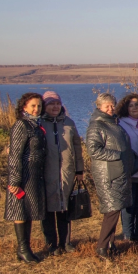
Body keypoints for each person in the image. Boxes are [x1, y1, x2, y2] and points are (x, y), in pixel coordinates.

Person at [85, 93, 135, 260]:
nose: (110, 108)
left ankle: (110, 243)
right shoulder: (96, 126)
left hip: (119, 173)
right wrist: (118, 155)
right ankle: (101, 247)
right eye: (107, 106)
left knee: (115, 208)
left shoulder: (114, 123)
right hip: (108, 175)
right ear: (99, 107)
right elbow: (93, 150)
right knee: (111, 210)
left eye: (112, 105)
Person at [40, 91, 84, 255]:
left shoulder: (68, 123)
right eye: (51, 103)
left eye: (57, 103)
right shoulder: (40, 123)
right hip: (47, 172)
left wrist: (79, 169)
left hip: (66, 171)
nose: (55, 106)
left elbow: (77, 147)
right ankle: (51, 244)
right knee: (48, 210)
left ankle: (66, 242)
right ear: (45, 105)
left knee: (65, 207)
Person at [6, 92, 47, 264]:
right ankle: (23, 249)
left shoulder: (36, 125)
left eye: (39, 106)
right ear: (24, 107)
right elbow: (15, 155)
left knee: (28, 211)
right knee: (20, 210)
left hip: (35, 173)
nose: (36, 109)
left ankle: (25, 248)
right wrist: (15, 180)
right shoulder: (21, 125)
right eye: (33, 106)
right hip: (24, 174)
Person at [116, 94, 138, 245]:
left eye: (137, 105)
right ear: (125, 108)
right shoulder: (120, 124)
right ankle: (128, 236)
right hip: (128, 170)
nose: (134, 108)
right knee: (128, 205)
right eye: (131, 105)